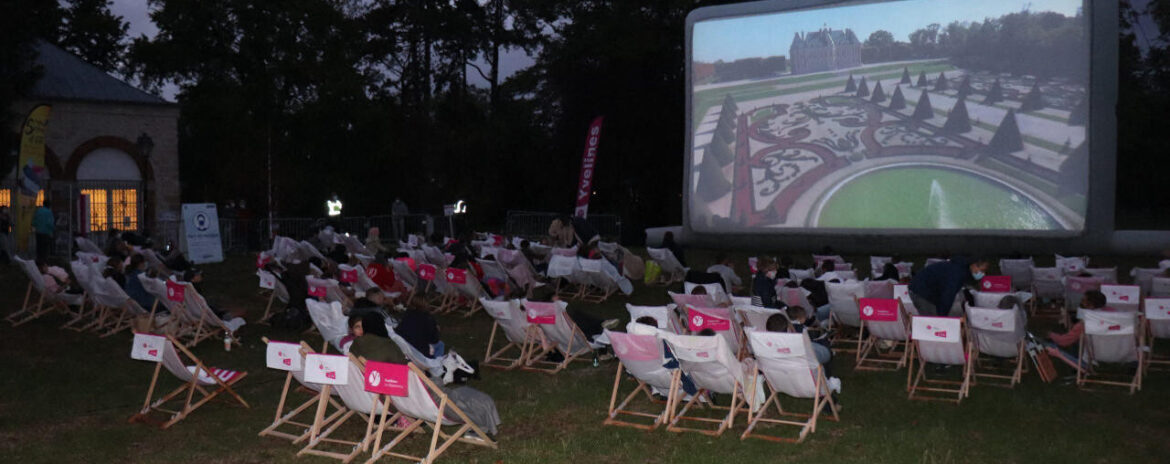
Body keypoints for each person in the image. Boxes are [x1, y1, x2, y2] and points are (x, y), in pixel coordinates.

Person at [908, 256, 989, 317]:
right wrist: (943, 318)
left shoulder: (963, 270)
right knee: (932, 322)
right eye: (982, 270)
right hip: (920, 291)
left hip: (927, 289)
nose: (983, 273)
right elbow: (948, 295)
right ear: (974, 265)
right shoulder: (958, 273)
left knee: (937, 317)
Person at [1046, 290, 1109, 366]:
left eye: (1083, 301)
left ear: (1091, 306)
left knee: (1049, 344)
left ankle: (1077, 364)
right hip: (1113, 353)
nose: (1081, 303)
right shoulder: (1113, 318)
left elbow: (1064, 341)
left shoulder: (1084, 324)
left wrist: (1050, 334)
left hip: (1092, 357)